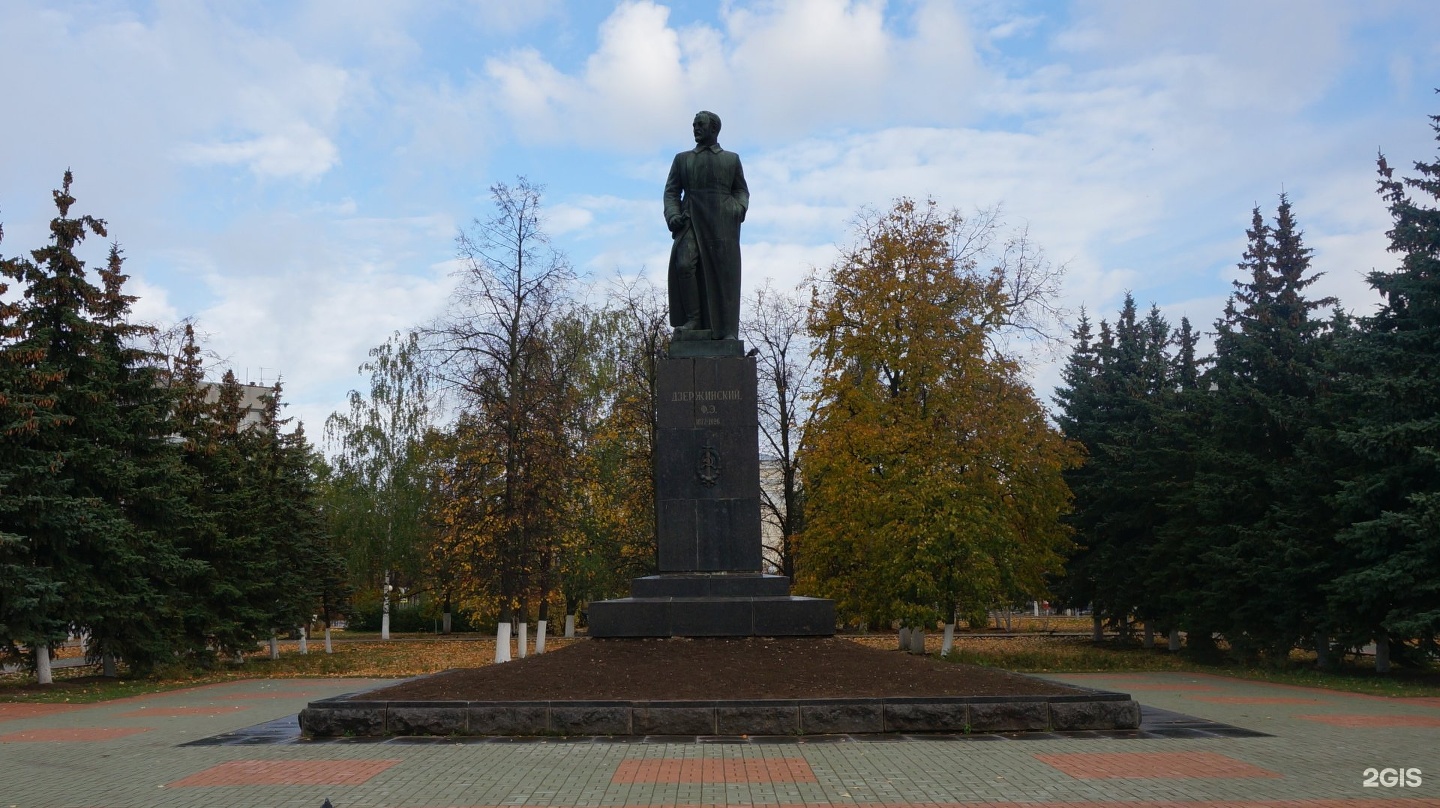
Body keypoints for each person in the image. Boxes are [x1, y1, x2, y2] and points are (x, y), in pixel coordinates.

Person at [664, 110, 749, 340]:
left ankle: (726, 332)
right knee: (684, 265)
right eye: (693, 125)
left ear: (714, 129)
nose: (695, 129)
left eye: (699, 125)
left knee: (723, 274)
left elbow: (740, 189)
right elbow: (672, 192)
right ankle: (693, 319)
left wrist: (738, 209)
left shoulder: (731, 159)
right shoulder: (682, 159)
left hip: (722, 223)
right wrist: (673, 215)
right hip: (690, 217)